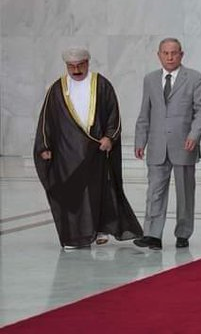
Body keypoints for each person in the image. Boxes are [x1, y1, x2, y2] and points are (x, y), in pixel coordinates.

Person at [34, 47, 142, 249]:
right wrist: (44, 146)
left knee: (98, 191)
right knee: (71, 194)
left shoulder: (101, 84)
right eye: (71, 66)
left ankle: (100, 229)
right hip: (67, 153)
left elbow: (114, 114)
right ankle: (74, 236)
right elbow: (46, 120)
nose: (76, 70)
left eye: (80, 65)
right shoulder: (57, 88)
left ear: (87, 63)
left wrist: (109, 137)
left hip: (96, 150)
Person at [134, 38, 201, 250]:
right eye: (165, 53)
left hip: (184, 144)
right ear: (158, 55)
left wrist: (194, 135)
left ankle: (183, 233)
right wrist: (140, 140)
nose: (169, 57)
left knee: (185, 193)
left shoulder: (194, 78)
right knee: (154, 191)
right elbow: (145, 112)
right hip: (157, 144)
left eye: (174, 53)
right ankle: (152, 235)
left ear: (181, 55)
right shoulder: (150, 79)